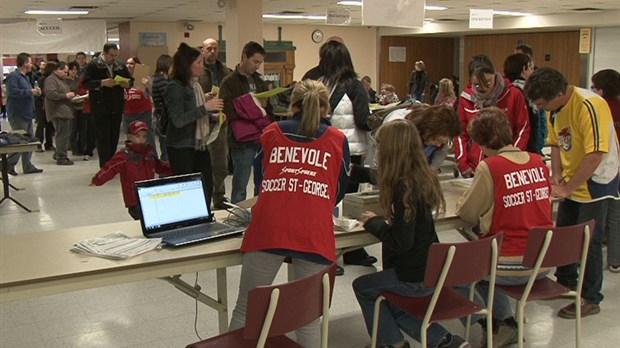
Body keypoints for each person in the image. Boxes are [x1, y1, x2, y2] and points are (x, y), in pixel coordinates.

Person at [229, 80, 349, 348]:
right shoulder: (338, 140)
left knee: (245, 309)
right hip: (313, 232)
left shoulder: (271, 132)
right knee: (307, 319)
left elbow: (261, 183)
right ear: (326, 108)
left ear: (291, 105)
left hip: (268, 228)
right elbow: (338, 191)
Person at [352, 120, 469, 348]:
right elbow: (378, 176)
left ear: (391, 150)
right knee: (392, 302)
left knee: (363, 287)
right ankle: (444, 341)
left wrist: (375, 223)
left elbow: (401, 242)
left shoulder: (404, 189)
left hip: (414, 276)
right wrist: (351, 170)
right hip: (430, 268)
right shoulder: (420, 176)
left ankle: (392, 343)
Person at [524, 67, 620, 319]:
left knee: (589, 241)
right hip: (572, 179)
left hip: (596, 181)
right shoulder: (556, 109)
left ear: (558, 93)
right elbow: (556, 144)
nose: (541, 109)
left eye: (543, 103)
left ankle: (590, 297)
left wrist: (567, 186)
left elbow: (595, 155)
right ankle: (565, 282)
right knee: (564, 234)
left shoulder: (591, 105)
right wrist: (555, 174)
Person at [455, 107, 553, 346]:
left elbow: (466, 213)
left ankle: (494, 323)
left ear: (481, 141)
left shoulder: (490, 167)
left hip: (510, 263)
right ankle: (505, 322)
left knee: (451, 272)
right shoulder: (539, 162)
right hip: (544, 259)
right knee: (487, 256)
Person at [316, 39, 376, 271]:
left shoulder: (316, 81)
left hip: (322, 150)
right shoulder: (355, 85)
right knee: (347, 202)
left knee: (325, 203)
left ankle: (334, 252)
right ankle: (346, 251)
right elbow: (363, 121)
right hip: (349, 151)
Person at [165, 43, 224, 205]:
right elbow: (178, 120)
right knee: (187, 190)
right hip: (180, 146)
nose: (201, 67)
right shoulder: (175, 87)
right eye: (198, 63)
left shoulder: (194, 86)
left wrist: (210, 115)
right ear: (186, 65)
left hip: (198, 145)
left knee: (206, 186)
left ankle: (203, 218)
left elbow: (194, 113)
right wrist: (205, 108)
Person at [455, 54, 530, 178]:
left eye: (488, 82)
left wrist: (513, 158)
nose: (484, 88)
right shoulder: (466, 98)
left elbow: (523, 129)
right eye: (477, 84)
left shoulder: (513, 94)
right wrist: (463, 163)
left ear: (495, 74)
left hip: (507, 164)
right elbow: (460, 133)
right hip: (476, 167)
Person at [220, 41, 272, 204]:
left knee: (263, 180)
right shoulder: (229, 82)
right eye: (255, 61)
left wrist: (262, 105)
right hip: (241, 140)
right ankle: (236, 214)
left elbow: (267, 108)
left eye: (260, 63)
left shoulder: (259, 81)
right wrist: (253, 108)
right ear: (244, 57)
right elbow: (228, 110)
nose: (257, 66)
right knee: (241, 183)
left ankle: (260, 211)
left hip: (261, 137)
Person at [90, 120, 172, 220]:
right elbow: (110, 168)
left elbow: (159, 166)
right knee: (143, 221)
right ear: (129, 137)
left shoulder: (148, 153)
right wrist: (97, 179)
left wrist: (174, 169)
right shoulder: (124, 155)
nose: (141, 139)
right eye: (138, 136)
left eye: (144, 136)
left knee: (153, 219)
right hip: (134, 199)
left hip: (148, 196)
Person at [82, 43, 133, 168]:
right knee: (103, 137)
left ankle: (111, 163)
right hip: (100, 107)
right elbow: (86, 83)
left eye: (116, 55)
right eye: (111, 55)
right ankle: (105, 166)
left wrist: (127, 84)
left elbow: (131, 80)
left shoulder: (120, 65)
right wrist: (102, 83)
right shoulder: (93, 65)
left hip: (116, 106)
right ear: (104, 53)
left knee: (114, 137)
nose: (114, 58)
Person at [591, 69, 620, 273]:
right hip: (616, 165)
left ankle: (600, 244)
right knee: (616, 214)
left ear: (600, 90)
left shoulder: (597, 109)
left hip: (604, 167)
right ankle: (615, 260)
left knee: (602, 213)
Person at [199, 37, 233, 209]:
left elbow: (232, 96)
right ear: (202, 51)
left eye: (215, 49)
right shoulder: (197, 72)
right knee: (204, 163)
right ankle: (203, 200)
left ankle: (219, 197)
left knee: (220, 163)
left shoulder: (225, 72)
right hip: (202, 124)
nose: (212, 52)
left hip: (220, 123)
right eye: (209, 49)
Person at [5, 52, 44, 176]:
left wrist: (35, 93)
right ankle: (8, 165)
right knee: (19, 141)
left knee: (29, 141)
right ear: (25, 63)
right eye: (30, 62)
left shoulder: (25, 77)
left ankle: (27, 165)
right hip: (18, 114)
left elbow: (27, 92)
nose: (32, 64)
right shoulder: (13, 76)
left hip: (27, 113)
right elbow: (13, 92)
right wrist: (30, 92)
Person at [503, 53, 546, 154]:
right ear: (523, 69)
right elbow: (534, 124)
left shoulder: (502, 89)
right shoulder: (524, 92)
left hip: (504, 146)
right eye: (530, 68)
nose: (532, 72)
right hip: (522, 148)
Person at [43, 61, 76, 165]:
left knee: (65, 134)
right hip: (58, 112)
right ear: (58, 70)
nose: (66, 74)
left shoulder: (61, 80)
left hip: (64, 111)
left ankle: (58, 152)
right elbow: (51, 94)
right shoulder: (51, 80)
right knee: (62, 135)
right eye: (65, 72)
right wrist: (65, 96)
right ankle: (62, 157)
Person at [122, 56, 156, 154]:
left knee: (147, 138)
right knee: (131, 138)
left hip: (143, 112)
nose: (129, 65)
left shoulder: (144, 76)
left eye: (132, 63)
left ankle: (151, 159)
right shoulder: (123, 77)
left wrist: (147, 85)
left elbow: (153, 93)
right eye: (127, 63)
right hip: (128, 113)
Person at [151, 54, 173, 161]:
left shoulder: (162, 80)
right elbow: (169, 98)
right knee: (166, 153)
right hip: (164, 121)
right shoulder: (161, 81)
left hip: (164, 120)